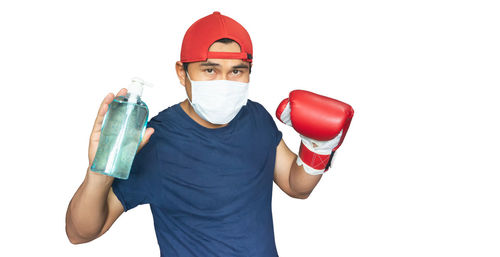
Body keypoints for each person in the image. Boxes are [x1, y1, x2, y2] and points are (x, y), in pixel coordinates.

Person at [65, 11, 353, 256]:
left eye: (237, 71)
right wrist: (98, 173)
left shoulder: (257, 118)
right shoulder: (154, 139)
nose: (225, 82)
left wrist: (318, 148)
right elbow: (81, 233)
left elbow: (296, 186)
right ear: (182, 73)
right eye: (210, 70)